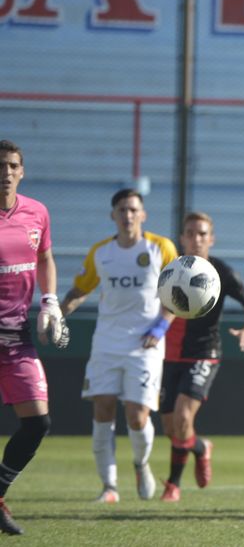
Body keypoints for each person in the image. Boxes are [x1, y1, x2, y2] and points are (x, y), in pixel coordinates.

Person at [61, 189, 178, 504]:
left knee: (138, 415)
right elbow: (80, 289)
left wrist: (161, 325)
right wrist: (57, 314)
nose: (128, 215)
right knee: (102, 409)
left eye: (133, 210)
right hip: (106, 342)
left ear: (143, 215)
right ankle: (109, 487)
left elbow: (176, 291)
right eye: (122, 210)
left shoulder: (161, 248)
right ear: (113, 215)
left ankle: (141, 464)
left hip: (146, 343)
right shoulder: (101, 252)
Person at [159, 211, 244, 502]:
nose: (196, 239)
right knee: (172, 428)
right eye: (190, 233)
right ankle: (201, 448)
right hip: (170, 354)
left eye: (202, 234)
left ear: (211, 239)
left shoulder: (221, 272)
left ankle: (173, 485)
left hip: (205, 353)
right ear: (182, 238)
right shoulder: (172, 270)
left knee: (182, 416)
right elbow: (161, 308)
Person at [0, 140, 64, 535]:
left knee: (38, 422)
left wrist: (51, 302)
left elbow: (45, 258)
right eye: (0, 165)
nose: (5, 171)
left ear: (22, 171)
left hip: (17, 336)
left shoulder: (37, 212)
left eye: (12, 165)